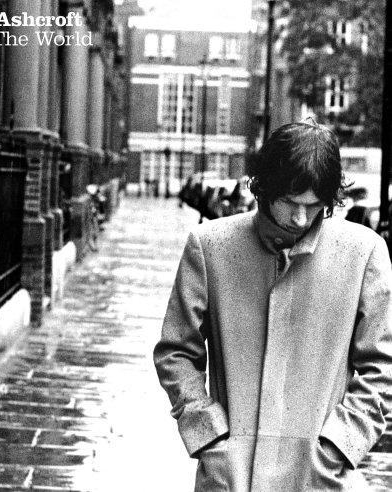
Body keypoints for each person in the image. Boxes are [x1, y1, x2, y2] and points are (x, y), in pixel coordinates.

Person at [153, 122, 392, 491]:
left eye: (313, 205)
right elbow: (176, 352)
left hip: (319, 478)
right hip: (231, 476)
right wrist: (210, 437)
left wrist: (339, 446)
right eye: (289, 202)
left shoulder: (364, 252)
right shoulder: (210, 245)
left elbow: (383, 367)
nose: (300, 218)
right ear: (264, 188)